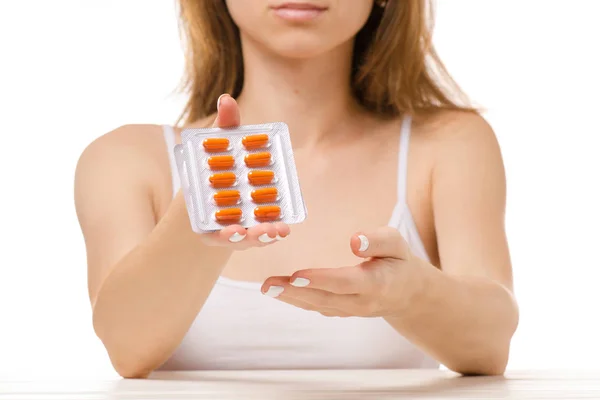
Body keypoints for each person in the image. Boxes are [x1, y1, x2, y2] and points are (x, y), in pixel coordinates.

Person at [74, 0, 519, 379]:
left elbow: (491, 345)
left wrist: (410, 294)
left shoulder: (448, 144)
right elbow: (126, 350)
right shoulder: (126, 158)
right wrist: (197, 213)